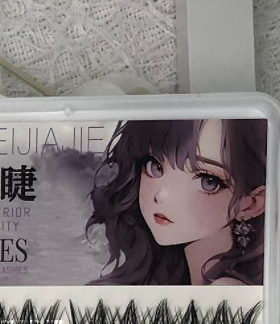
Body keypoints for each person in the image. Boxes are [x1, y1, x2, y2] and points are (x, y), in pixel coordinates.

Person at [87, 117, 267, 285]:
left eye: (208, 182)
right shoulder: (175, 275)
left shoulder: (225, 289)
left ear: (251, 204)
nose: (162, 195)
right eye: (155, 166)